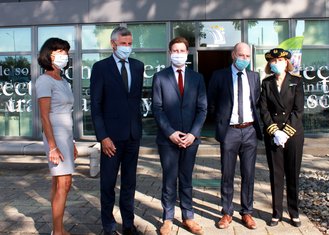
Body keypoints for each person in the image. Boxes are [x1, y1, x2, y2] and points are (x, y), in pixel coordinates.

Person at [90, 26, 144, 235]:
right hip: (110, 139)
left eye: (130, 44)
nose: (127, 47)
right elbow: (96, 105)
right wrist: (103, 137)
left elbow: (135, 100)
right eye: (123, 44)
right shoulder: (100, 68)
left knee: (129, 184)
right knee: (108, 185)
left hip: (132, 136)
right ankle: (109, 227)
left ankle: (128, 225)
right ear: (113, 44)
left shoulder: (138, 67)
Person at [152, 37, 207, 235]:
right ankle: (167, 218)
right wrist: (170, 133)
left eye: (182, 50)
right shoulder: (160, 77)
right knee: (169, 179)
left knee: (186, 179)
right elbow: (157, 109)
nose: (178, 53)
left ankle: (188, 217)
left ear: (187, 52)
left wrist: (193, 134)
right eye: (174, 50)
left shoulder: (197, 78)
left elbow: (202, 109)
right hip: (168, 140)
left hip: (190, 140)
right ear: (169, 53)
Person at [207, 42, 262, 230]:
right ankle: (227, 212)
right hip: (229, 131)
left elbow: (256, 103)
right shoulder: (219, 76)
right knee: (227, 173)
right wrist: (221, 120)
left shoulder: (255, 77)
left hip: (249, 131)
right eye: (241, 55)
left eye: (247, 56)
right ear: (233, 55)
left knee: (249, 174)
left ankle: (247, 212)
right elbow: (211, 102)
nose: (244, 59)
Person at [36, 37, 78, 235]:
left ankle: (57, 230)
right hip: (55, 138)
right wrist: (52, 146)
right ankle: (59, 232)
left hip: (66, 137)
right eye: (59, 51)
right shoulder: (44, 80)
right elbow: (44, 116)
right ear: (48, 54)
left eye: (65, 51)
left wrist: (73, 142)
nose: (64, 55)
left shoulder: (64, 81)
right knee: (64, 183)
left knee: (59, 183)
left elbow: (67, 114)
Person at [259, 48, 304, 227]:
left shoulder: (296, 82)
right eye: (273, 61)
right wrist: (275, 132)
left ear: (286, 62)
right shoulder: (267, 83)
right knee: (276, 175)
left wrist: (285, 132)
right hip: (274, 135)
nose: (275, 63)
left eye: (279, 60)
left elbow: (298, 110)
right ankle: (276, 213)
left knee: (293, 173)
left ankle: (294, 212)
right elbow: (263, 109)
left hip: (293, 135)